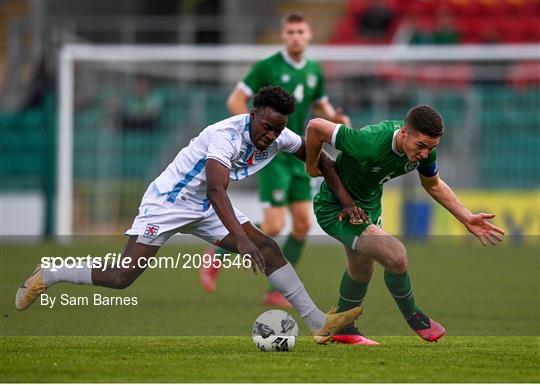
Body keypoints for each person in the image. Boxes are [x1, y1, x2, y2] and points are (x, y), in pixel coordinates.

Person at [15, 86, 363, 344]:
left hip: (207, 207)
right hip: (169, 202)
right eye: (266, 127)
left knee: (269, 247)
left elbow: (322, 161)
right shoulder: (223, 136)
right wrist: (240, 239)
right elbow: (216, 189)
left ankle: (318, 322)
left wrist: (346, 200)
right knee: (123, 277)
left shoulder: (278, 136)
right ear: (254, 113)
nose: (269, 136)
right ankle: (51, 273)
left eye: (276, 130)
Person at [305, 105, 505, 345]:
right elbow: (315, 127)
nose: (424, 154)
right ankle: (414, 317)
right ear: (403, 133)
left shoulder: (425, 150)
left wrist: (466, 217)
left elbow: (432, 184)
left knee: (361, 270)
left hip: (367, 208)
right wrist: (311, 166)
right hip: (335, 209)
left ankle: (344, 328)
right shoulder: (368, 143)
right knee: (396, 256)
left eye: (431, 148)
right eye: (420, 146)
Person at [200, 13, 351, 308]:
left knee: (303, 224)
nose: (295, 36)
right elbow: (235, 100)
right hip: (273, 155)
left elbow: (320, 104)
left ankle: (275, 290)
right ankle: (217, 253)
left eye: (300, 31)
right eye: (290, 31)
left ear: (308, 36)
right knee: (274, 223)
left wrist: (335, 119)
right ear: (284, 35)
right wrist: (245, 135)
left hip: (299, 152)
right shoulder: (267, 66)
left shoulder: (313, 71)